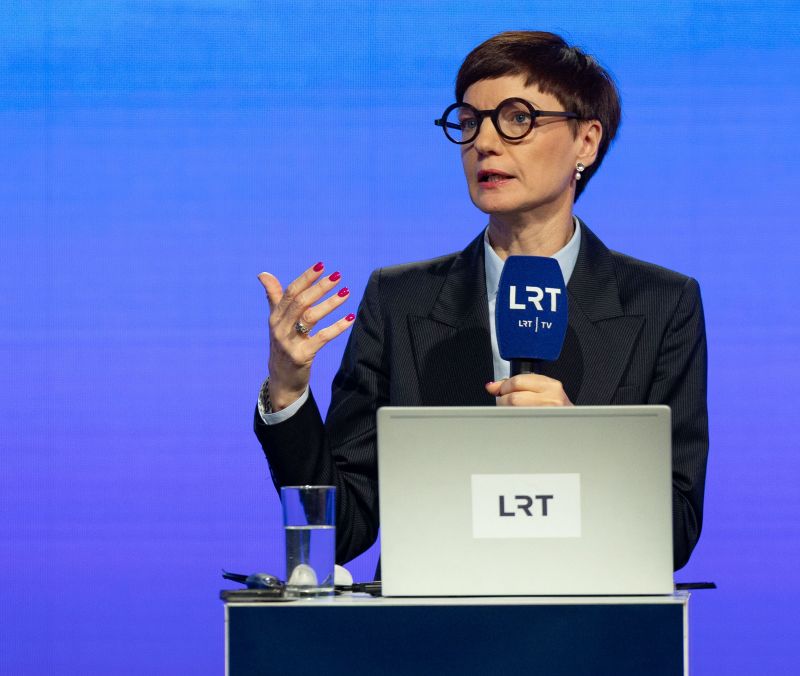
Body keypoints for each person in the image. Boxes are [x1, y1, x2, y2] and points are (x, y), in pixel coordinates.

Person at [254, 31, 708, 572]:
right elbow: (343, 530)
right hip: (434, 618)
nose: (485, 143)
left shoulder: (662, 304)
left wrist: (581, 446)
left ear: (586, 141)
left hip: (585, 617)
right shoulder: (400, 301)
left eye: (517, 119)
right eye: (470, 122)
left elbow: (675, 533)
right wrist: (288, 388)